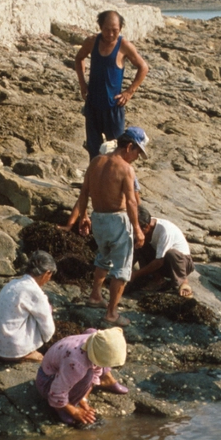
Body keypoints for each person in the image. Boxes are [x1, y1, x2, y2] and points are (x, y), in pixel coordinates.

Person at [63, 127, 148, 326]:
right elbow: (131, 202)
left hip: (98, 218)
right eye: (137, 152)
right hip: (116, 220)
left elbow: (84, 192)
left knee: (103, 256)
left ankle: (95, 296)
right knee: (122, 267)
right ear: (129, 146)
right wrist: (137, 229)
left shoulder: (96, 161)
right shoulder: (125, 168)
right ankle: (111, 313)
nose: (136, 157)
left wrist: (84, 216)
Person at [74, 10, 149, 159]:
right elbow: (79, 58)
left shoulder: (124, 45)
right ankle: (94, 180)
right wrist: (82, 84)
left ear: (120, 28)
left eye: (114, 30)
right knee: (93, 149)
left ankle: (114, 180)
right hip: (93, 104)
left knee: (116, 149)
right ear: (100, 26)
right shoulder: (92, 41)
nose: (110, 34)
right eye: (106, 30)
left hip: (113, 107)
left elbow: (143, 67)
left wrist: (129, 92)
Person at [35, 327, 130, 426]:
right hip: (47, 381)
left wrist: (83, 398)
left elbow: (98, 366)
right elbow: (57, 391)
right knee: (88, 375)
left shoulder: (94, 338)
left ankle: (106, 380)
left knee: (96, 337)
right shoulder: (76, 364)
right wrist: (74, 411)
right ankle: (60, 407)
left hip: (64, 366)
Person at [0, 251, 57, 362]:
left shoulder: (12, 283)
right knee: (39, 315)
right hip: (10, 350)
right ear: (47, 273)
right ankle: (25, 353)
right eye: (50, 275)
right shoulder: (34, 292)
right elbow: (48, 330)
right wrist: (48, 341)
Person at [131, 204, 195, 297]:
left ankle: (183, 281)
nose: (134, 231)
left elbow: (159, 262)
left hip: (181, 264)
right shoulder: (143, 226)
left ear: (146, 227)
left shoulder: (165, 231)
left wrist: (135, 274)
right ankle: (157, 279)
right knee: (139, 242)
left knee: (171, 253)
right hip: (162, 262)